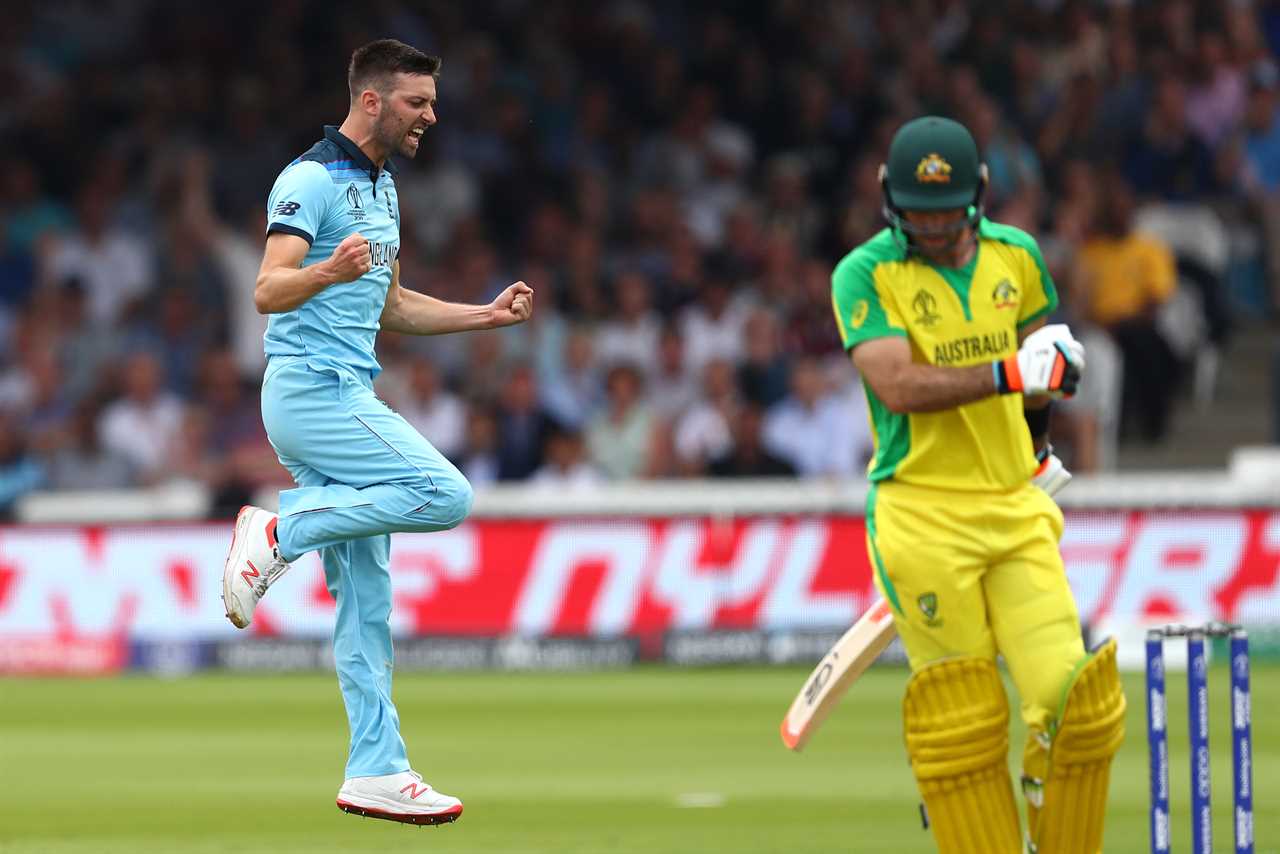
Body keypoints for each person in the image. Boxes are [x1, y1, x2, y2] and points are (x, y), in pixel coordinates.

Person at [220, 40, 533, 827]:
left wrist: (484, 314)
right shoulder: (311, 179)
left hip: (343, 389)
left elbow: (392, 307)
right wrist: (325, 272)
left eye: (431, 101)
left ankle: (376, 768)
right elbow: (267, 288)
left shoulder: (383, 189)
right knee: (443, 492)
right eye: (417, 102)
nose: (431, 114)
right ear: (372, 101)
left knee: (366, 602)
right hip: (312, 393)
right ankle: (280, 530)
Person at [830, 116, 1124, 854]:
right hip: (920, 515)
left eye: (947, 210)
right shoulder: (862, 274)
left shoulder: (1018, 257)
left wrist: (1040, 438)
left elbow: (1036, 372)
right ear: (887, 198)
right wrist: (1009, 373)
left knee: (1074, 703)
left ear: (980, 194)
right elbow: (897, 385)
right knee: (963, 727)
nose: (932, 227)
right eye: (917, 211)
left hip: (1014, 507)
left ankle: (1044, 832)